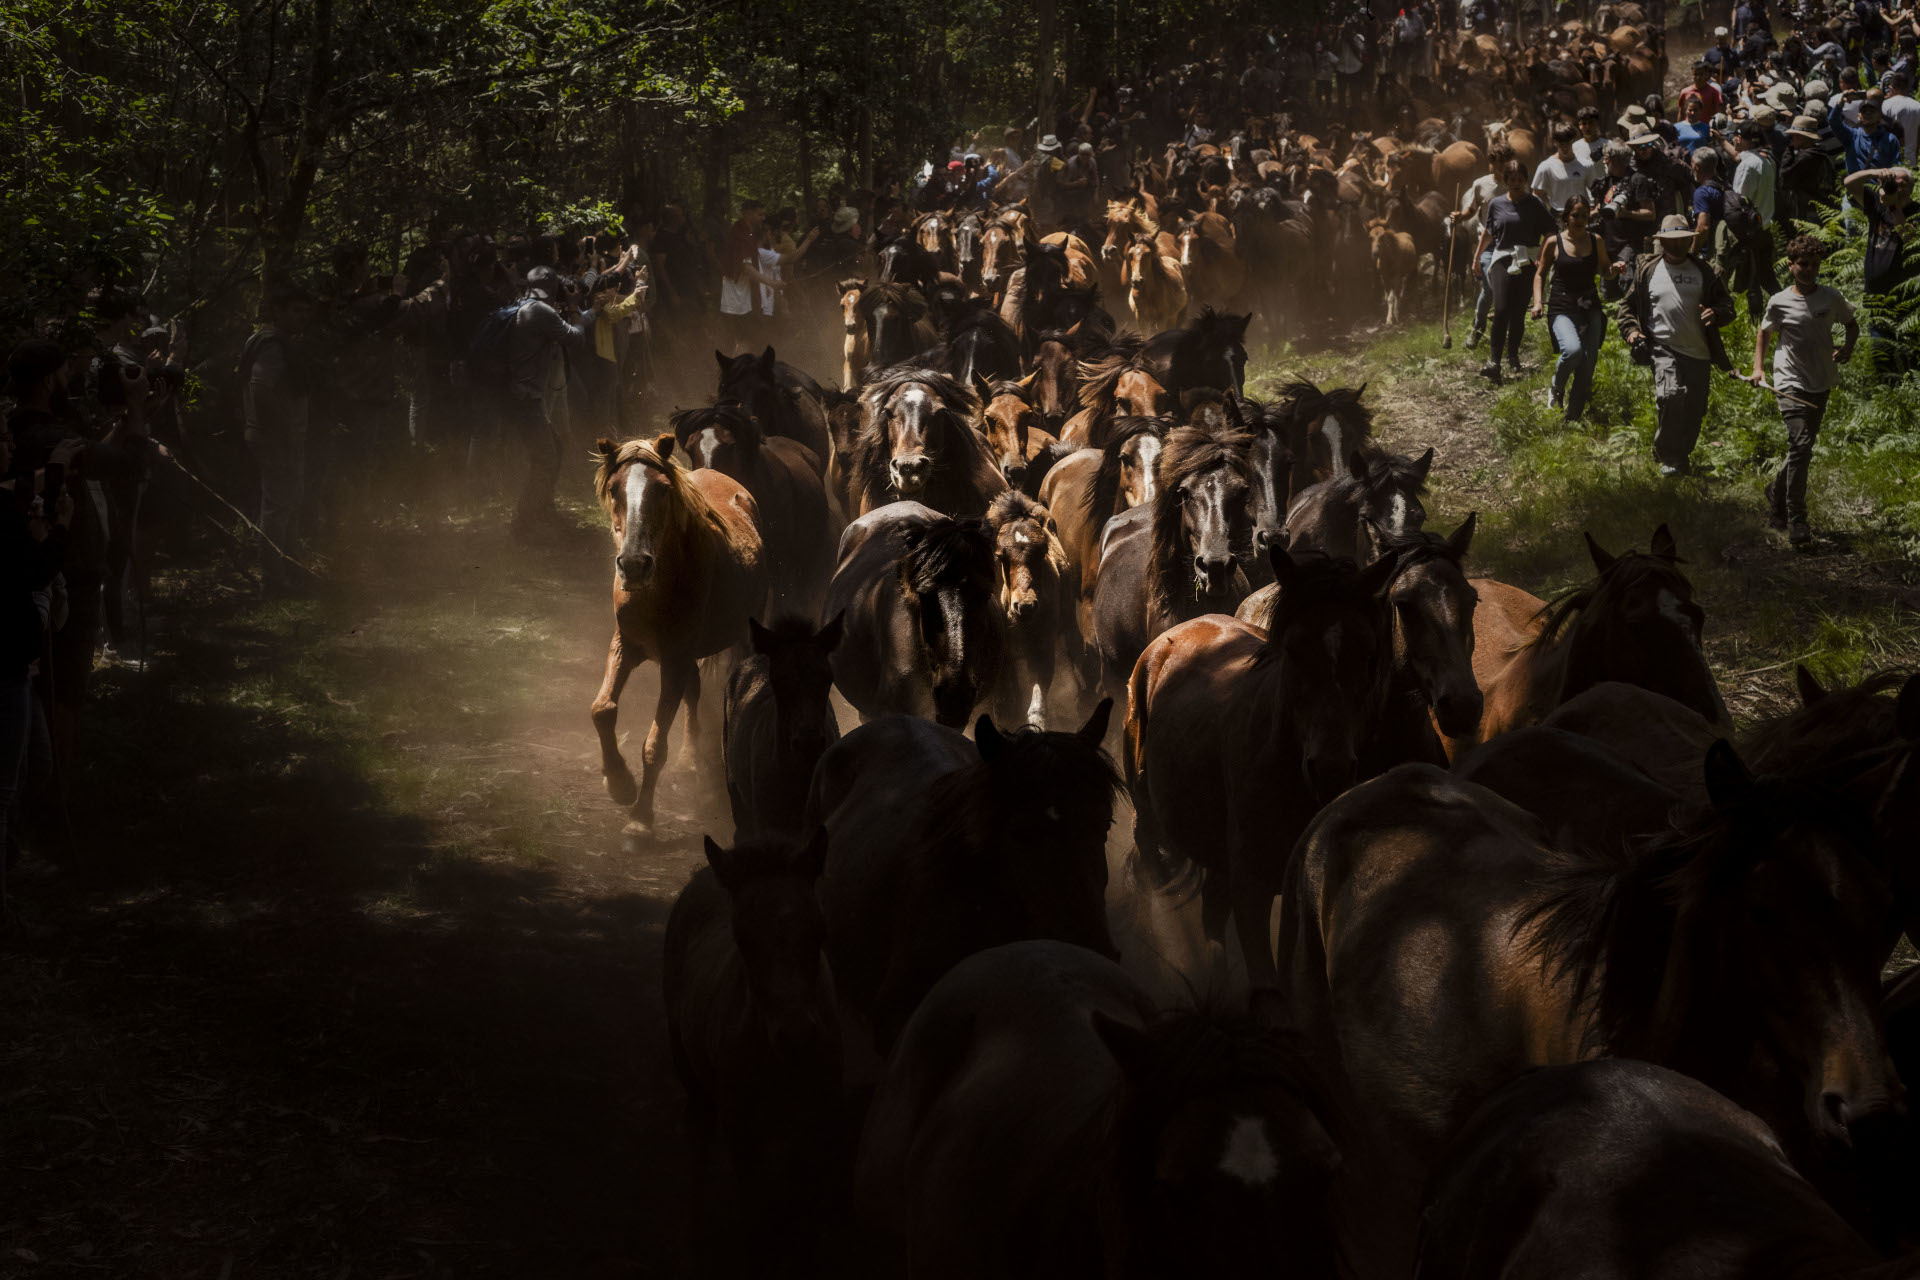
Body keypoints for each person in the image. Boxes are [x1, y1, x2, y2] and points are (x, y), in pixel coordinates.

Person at [0, 405, 72, 930]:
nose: (7, 445)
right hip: (5, 664)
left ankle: (10, 864)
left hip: (17, 664)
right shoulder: (3, 513)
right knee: (5, 783)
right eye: (2, 438)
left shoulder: (9, 505)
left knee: (33, 764)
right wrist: (57, 533)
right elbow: (34, 571)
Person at [1751, 235, 1859, 547]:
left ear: (1818, 265)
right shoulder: (1779, 301)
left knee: (1802, 447)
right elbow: (1764, 332)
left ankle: (1777, 491)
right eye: (1802, 264)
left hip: (1821, 379)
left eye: (1813, 264)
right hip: (1788, 380)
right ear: (1791, 265)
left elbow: (1852, 325)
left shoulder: (1831, 298)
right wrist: (1759, 369)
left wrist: (1848, 349)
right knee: (1800, 444)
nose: (1807, 269)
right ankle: (1796, 519)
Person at [1615, 214, 1737, 476]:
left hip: (1699, 352)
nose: (1677, 245)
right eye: (1671, 240)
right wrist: (1632, 331)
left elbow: (1728, 306)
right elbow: (1626, 307)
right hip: (1663, 347)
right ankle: (1666, 451)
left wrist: (1716, 313)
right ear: (1661, 241)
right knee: (1670, 396)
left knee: (1694, 410)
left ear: (1689, 240)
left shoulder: (1706, 271)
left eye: (1682, 240)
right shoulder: (1648, 270)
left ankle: (1681, 457)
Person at [503, 265, 600, 538]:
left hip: (521, 394)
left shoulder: (522, 304)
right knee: (546, 458)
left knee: (554, 446)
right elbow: (576, 339)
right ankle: (524, 525)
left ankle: (543, 510)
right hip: (526, 397)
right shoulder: (540, 311)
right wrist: (572, 307)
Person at [1532, 194, 1627, 420]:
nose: (1580, 220)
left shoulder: (1596, 241)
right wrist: (1537, 302)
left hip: (1589, 305)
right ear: (1566, 216)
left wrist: (1615, 269)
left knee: (1588, 363)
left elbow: (1605, 271)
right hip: (1561, 305)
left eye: (1585, 215)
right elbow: (1540, 274)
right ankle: (1557, 386)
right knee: (1572, 351)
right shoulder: (1554, 242)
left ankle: (1572, 418)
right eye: (1575, 215)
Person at [1472, 156, 1557, 384]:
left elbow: (1551, 231)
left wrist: (1541, 254)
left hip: (1527, 261)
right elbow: (1488, 233)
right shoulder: (1496, 204)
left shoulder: (1535, 204)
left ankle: (1513, 355)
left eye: (1520, 179)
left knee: (1518, 313)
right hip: (1501, 258)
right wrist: (1477, 256)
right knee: (1500, 309)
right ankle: (1494, 362)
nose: (1516, 183)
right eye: (1512, 179)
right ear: (1505, 180)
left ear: (1526, 180)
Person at [1844, 163, 1916, 372]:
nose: (1898, 188)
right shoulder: (1877, 203)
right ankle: (1885, 388)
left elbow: (1910, 239)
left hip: (1905, 296)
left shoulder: (1916, 211)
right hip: (1876, 293)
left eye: (1903, 184)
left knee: (1908, 350)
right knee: (1880, 351)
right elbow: (1849, 183)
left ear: (1911, 187)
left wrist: (1893, 207)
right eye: (1894, 183)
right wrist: (1874, 173)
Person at [1450, 143, 1513, 349]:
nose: (1503, 167)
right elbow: (1472, 210)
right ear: (1491, 164)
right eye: (1498, 163)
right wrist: (1459, 217)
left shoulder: (1516, 182)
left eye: (1506, 162)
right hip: (1487, 244)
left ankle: (1507, 332)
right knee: (1490, 287)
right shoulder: (1481, 184)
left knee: (1508, 289)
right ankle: (1478, 329)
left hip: (1512, 245)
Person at [1532, 124, 1594, 211]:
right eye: (1561, 144)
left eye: (1568, 143)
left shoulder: (1586, 165)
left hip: (1582, 213)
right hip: (1559, 213)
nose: (1565, 148)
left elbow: (1595, 191)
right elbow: (1536, 195)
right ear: (1555, 143)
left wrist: (1593, 208)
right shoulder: (1545, 167)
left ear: (1573, 141)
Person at [1834, 93, 1904, 170]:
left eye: (1872, 111)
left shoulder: (1890, 139)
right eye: (1864, 111)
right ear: (1858, 116)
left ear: (1880, 116)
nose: (1868, 113)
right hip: (1857, 181)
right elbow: (1833, 121)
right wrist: (1840, 104)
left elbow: (1896, 166)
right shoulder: (1851, 136)